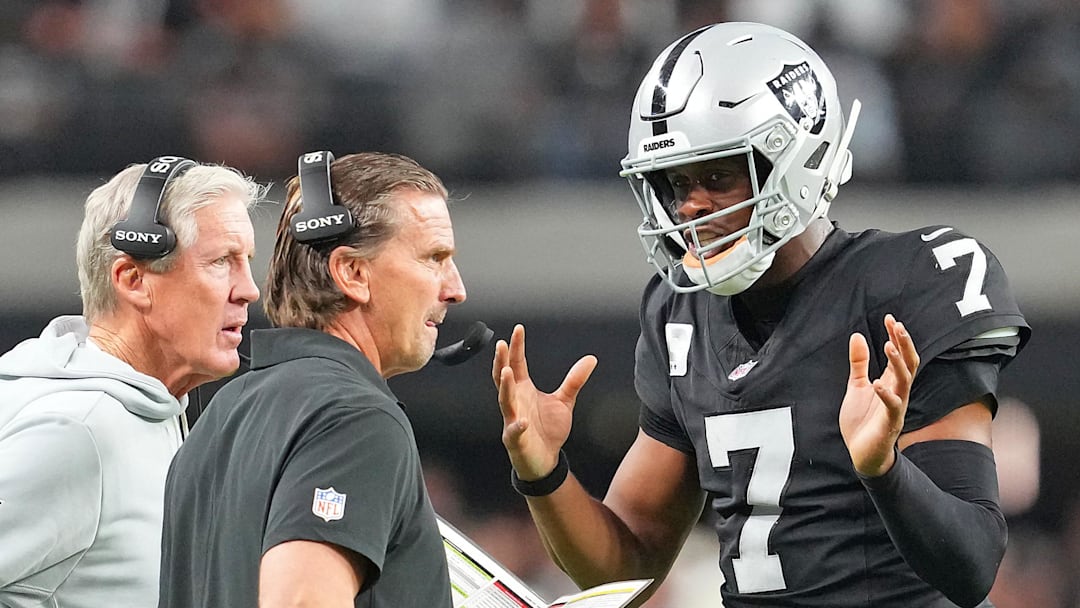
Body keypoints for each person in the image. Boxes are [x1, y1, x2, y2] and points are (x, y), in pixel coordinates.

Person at [492, 22, 1029, 608]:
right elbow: (630, 565)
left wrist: (883, 468)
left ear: (797, 160)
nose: (691, 205)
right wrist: (544, 474)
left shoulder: (909, 284)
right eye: (676, 184)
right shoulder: (680, 313)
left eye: (718, 176)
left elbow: (972, 567)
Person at [158, 151, 466, 607]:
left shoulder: (222, 413)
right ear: (353, 273)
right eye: (434, 258)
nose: (455, 289)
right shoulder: (354, 417)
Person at [0, 156, 262, 607]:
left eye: (247, 262)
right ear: (134, 280)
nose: (249, 289)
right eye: (222, 261)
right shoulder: (77, 431)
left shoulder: (143, 410)